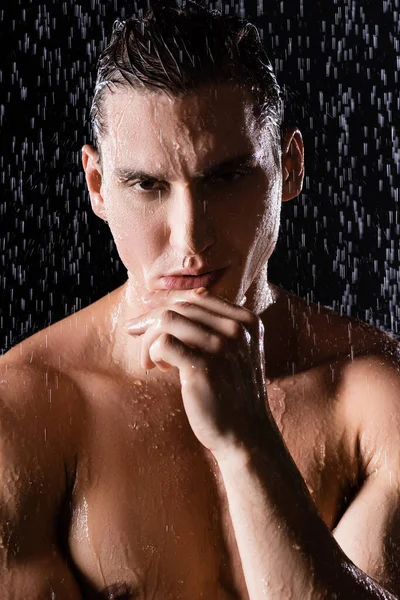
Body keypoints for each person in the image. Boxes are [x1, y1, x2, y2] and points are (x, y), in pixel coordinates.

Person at [1, 2, 400, 598]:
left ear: (288, 168)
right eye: (147, 185)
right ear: (97, 186)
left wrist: (248, 444)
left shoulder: (377, 395)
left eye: (227, 177)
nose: (191, 237)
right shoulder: (26, 412)